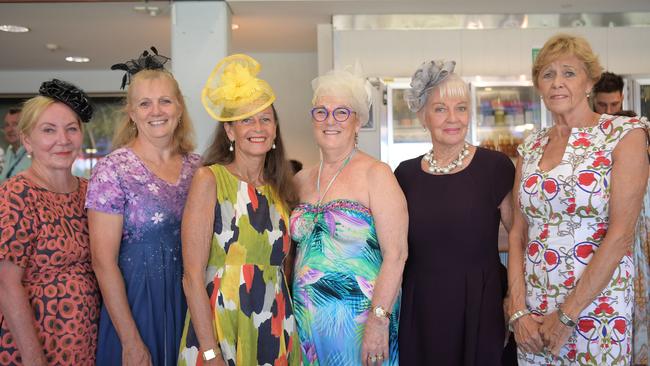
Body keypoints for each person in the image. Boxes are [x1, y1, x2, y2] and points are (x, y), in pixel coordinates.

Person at [507, 33, 649, 365]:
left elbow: (621, 235)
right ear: (538, 86)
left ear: (589, 81)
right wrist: (516, 309)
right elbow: (517, 231)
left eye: (568, 72)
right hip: (535, 313)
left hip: (598, 307)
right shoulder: (532, 145)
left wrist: (568, 315)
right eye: (548, 74)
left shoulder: (624, 135)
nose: (557, 83)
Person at [177, 54, 302, 366]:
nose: (257, 127)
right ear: (230, 131)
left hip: (274, 323)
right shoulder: (210, 179)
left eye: (265, 119)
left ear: (275, 130)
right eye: (246, 119)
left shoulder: (281, 189)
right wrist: (209, 351)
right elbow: (192, 276)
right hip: (220, 325)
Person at [395, 60, 515, 365]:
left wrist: (515, 297)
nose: (453, 118)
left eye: (461, 108)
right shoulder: (404, 175)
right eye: (440, 109)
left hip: (479, 305)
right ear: (422, 116)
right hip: (420, 305)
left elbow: (519, 237)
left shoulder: (495, 167)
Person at [86, 49, 201, 366]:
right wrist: (130, 340)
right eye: (144, 103)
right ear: (131, 113)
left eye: (165, 101)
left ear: (179, 107)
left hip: (192, 305)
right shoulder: (113, 170)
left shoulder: (199, 169)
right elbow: (102, 262)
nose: (156, 111)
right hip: (136, 307)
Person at [291, 65, 407, 365]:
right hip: (306, 324)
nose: (330, 120)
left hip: (360, 325)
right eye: (321, 112)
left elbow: (396, 255)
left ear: (357, 122)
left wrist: (378, 322)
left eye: (342, 112)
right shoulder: (300, 180)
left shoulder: (376, 174)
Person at [0, 79, 99, 365]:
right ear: (27, 140)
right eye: (48, 130)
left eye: (71, 128)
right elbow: (6, 285)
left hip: (86, 339)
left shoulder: (89, 191)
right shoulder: (16, 195)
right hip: (35, 344)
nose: (63, 140)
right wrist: (34, 358)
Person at [0, 107, 31, 182]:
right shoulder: (9, 151)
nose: (10, 129)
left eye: (15, 124)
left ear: (26, 127)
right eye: (7, 125)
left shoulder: (35, 155)